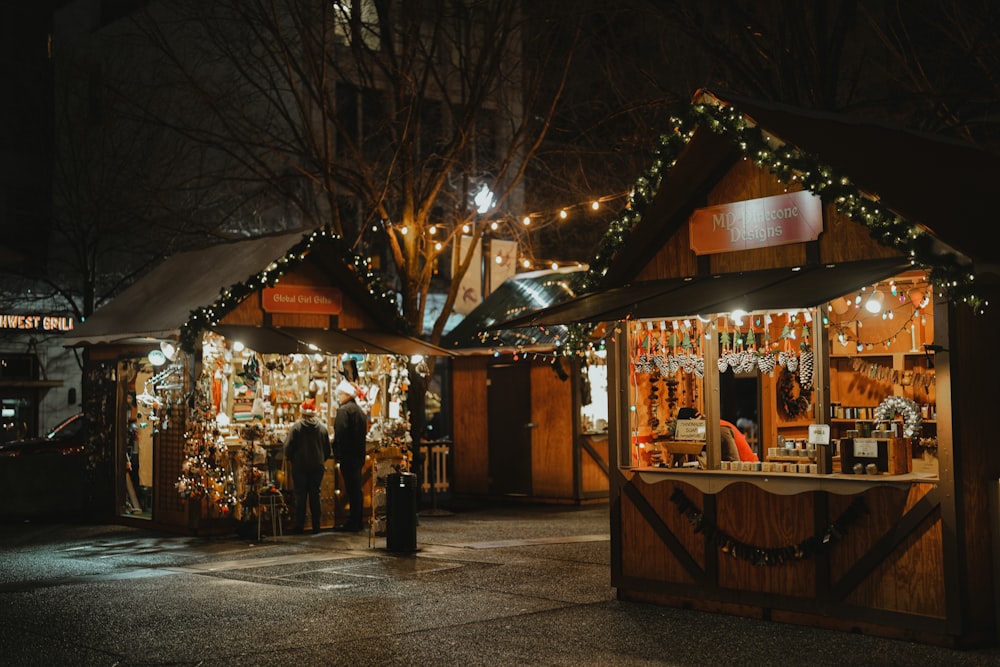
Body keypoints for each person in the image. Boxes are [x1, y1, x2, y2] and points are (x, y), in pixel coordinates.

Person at [284, 398, 331, 534]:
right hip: (317, 466)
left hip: (300, 466)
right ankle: (316, 526)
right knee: (315, 495)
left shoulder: (296, 428)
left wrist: (291, 458)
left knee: (300, 496)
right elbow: (328, 450)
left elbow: (288, 448)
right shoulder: (322, 428)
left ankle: (300, 526)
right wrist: (321, 459)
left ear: (302, 413)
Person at [333, 380, 368, 532]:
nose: (339, 397)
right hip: (358, 454)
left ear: (345, 395)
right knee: (356, 489)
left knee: (352, 488)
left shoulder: (344, 411)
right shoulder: (359, 411)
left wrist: (338, 452)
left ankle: (353, 521)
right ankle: (357, 519)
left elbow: (340, 433)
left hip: (348, 455)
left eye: (340, 394)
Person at [677, 407, 758, 464]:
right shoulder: (706, 429)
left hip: (749, 470)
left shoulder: (718, 429)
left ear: (692, 421)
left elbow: (734, 461)